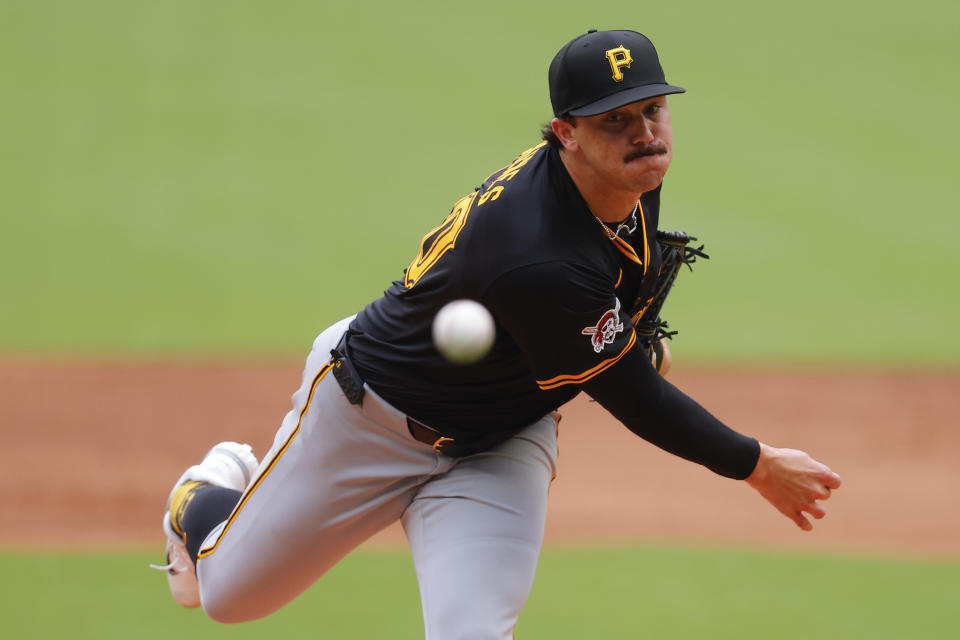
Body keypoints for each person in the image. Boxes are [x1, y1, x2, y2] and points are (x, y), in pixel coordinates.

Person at [152, 29, 842, 638]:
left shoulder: (630, 173)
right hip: (366, 422)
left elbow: (615, 302)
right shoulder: (534, 254)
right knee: (226, 598)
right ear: (564, 132)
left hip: (501, 441)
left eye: (652, 110)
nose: (644, 134)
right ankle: (209, 488)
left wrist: (631, 330)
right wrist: (755, 464)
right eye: (615, 120)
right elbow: (633, 395)